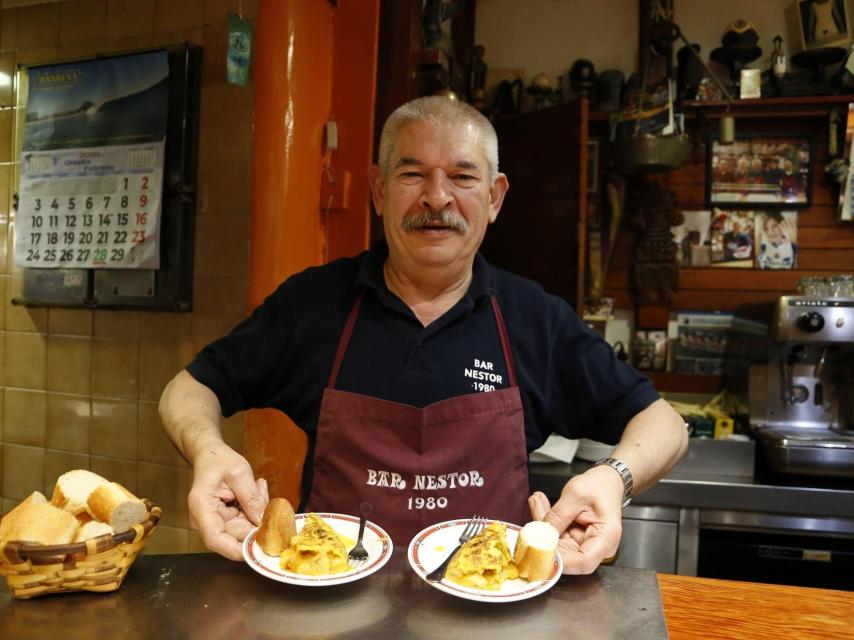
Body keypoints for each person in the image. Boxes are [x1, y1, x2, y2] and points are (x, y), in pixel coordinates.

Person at [159, 96, 688, 574]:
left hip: (490, 613)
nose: (437, 198)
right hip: (329, 610)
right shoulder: (312, 304)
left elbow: (665, 424)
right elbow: (188, 388)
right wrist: (208, 450)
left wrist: (613, 478)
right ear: (378, 191)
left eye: (463, 176)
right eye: (412, 174)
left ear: (495, 197)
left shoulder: (535, 320)